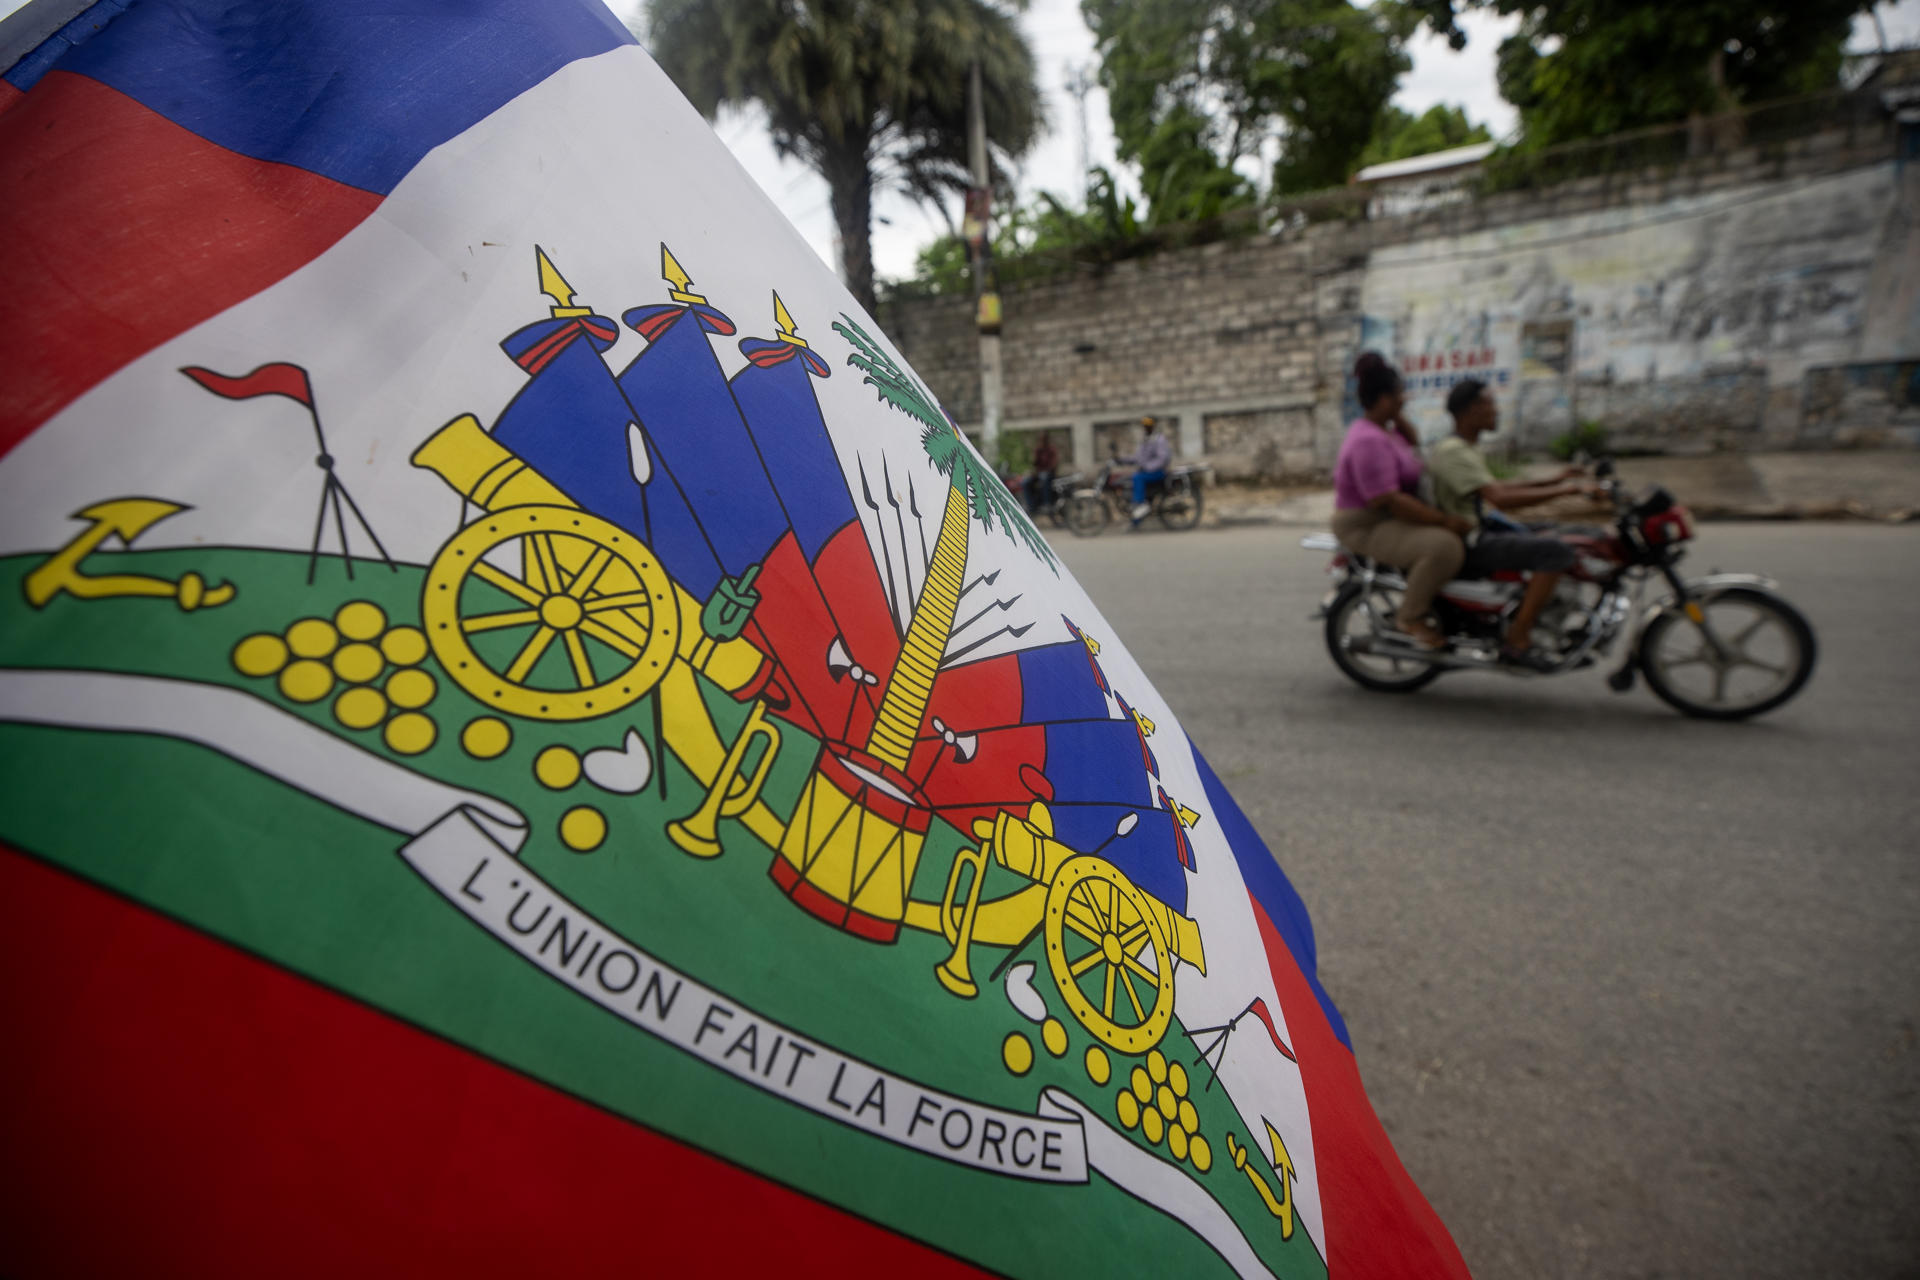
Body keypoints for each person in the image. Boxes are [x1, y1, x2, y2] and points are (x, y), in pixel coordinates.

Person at [1428, 378, 1603, 665]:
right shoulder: (1453, 451)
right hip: (1469, 541)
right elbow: (1500, 498)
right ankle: (1518, 636)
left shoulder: (1465, 447)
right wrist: (1567, 490)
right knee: (1556, 552)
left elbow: (1499, 488)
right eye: (1490, 404)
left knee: (1567, 534)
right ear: (1471, 411)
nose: (1496, 411)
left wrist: (1557, 479)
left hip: (1482, 528)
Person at [1330, 352, 1469, 650]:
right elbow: (1388, 500)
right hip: (1366, 523)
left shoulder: (1386, 431)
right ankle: (1409, 617)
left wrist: (1394, 412)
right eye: (1398, 395)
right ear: (1383, 399)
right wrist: (1443, 521)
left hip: (1388, 517)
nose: (1404, 399)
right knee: (1443, 547)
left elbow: (1413, 441)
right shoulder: (1368, 440)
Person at [1127, 416, 1172, 527]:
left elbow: (1162, 459)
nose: (1146, 428)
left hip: (1158, 472)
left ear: (1153, 426)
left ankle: (1140, 505)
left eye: (1148, 426)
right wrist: (1121, 459)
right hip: (1148, 473)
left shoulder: (1159, 439)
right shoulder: (1145, 440)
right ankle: (1135, 522)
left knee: (1137, 477)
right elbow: (1138, 458)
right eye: (1145, 426)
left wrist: (1147, 467)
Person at [1025, 431, 1059, 515]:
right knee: (1025, 483)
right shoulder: (1038, 450)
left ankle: (1047, 503)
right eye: (1041, 440)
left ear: (1047, 440)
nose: (1042, 441)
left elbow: (1054, 464)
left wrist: (1045, 471)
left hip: (1049, 474)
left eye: (1044, 440)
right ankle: (1031, 505)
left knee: (1044, 478)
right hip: (1039, 474)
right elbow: (1035, 464)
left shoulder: (1051, 450)